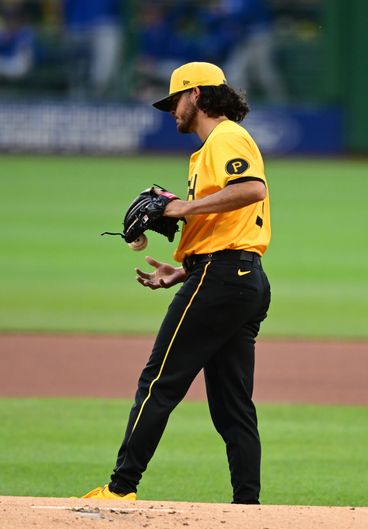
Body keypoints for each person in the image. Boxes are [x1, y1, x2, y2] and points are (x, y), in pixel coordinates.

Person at [82, 61, 271, 503]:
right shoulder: (208, 149)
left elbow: (253, 188)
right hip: (240, 279)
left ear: (198, 96)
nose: (171, 110)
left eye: (175, 100)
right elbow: (233, 224)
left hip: (223, 279)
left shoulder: (226, 137)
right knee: (233, 407)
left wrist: (180, 210)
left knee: (159, 382)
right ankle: (248, 505)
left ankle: (120, 488)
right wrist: (183, 269)